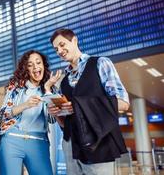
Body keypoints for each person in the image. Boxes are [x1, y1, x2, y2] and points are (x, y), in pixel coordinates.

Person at [46, 28, 130, 175]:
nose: (59, 50)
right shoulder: (63, 79)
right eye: (56, 49)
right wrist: (58, 113)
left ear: (74, 40)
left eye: (62, 44)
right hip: (70, 144)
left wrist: (79, 106)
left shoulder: (100, 63)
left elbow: (122, 102)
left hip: (99, 142)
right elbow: (66, 122)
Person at [0, 50, 56, 175]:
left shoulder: (50, 88)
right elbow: (4, 113)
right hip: (11, 140)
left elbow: (52, 119)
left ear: (44, 66)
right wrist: (25, 105)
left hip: (39, 142)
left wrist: (47, 90)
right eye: (30, 65)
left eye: (38, 62)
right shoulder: (16, 86)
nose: (35, 67)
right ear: (26, 69)